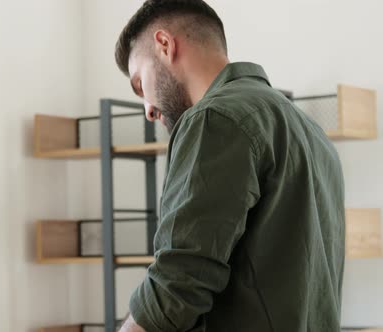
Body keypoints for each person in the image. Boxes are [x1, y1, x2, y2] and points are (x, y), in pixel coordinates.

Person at [114, 1, 346, 331]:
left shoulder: (215, 118)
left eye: (140, 84)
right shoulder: (310, 131)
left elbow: (178, 282)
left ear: (164, 44)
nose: (148, 109)